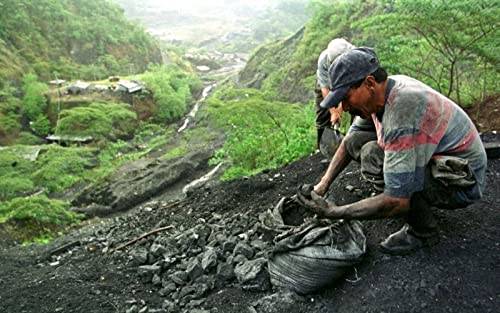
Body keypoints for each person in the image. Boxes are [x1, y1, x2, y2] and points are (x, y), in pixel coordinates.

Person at [298, 47, 487, 255]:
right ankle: (405, 199)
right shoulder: (380, 92)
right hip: (437, 159)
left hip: (461, 180)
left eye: (346, 97)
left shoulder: (402, 110)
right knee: (360, 143)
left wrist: (334, 212)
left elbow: (397, 200)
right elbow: (350, 141)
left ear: (369, 83)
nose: (344, 106)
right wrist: (323, 185)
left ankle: (423, 232)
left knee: (376, 160)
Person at [314, 38, 354, 150]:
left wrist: (340, 109)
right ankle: (323, 148)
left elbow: (350, 87)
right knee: (322, 112)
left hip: (349, 81)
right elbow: (325, 89)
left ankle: (353, 140)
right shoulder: (323, 61)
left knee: (357, 107)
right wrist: (333, 112)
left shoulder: (354, 56)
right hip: (327, 83)